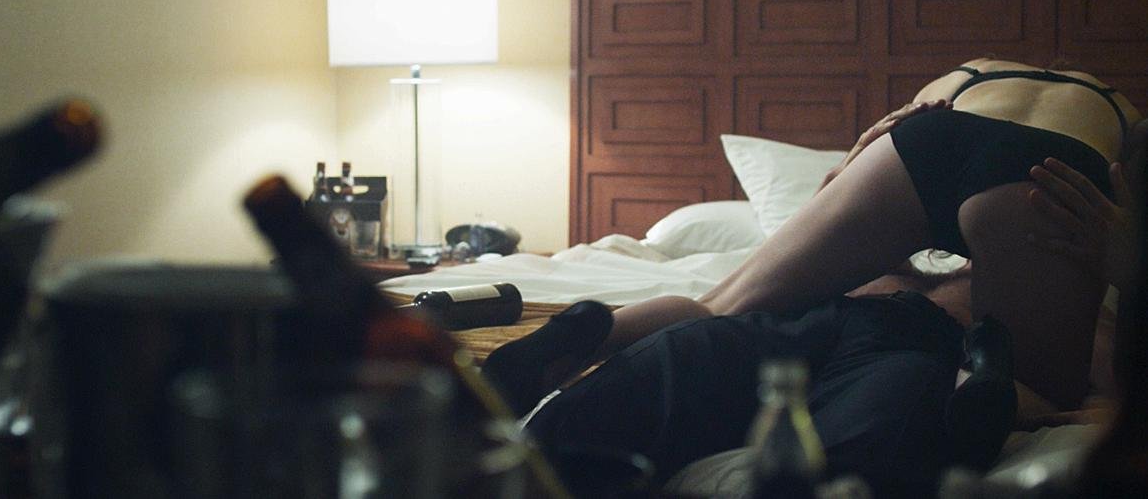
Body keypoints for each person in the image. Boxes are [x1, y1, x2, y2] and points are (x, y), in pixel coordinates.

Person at [485, 57, 1145, 417]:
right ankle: (971, 392)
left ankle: (586, 335)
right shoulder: (1124, 116)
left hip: (925, 134)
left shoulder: (970, 72)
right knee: (1052, 387)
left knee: (719, 304)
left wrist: (857, 172)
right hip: (1051, 171)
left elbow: (866, 156)